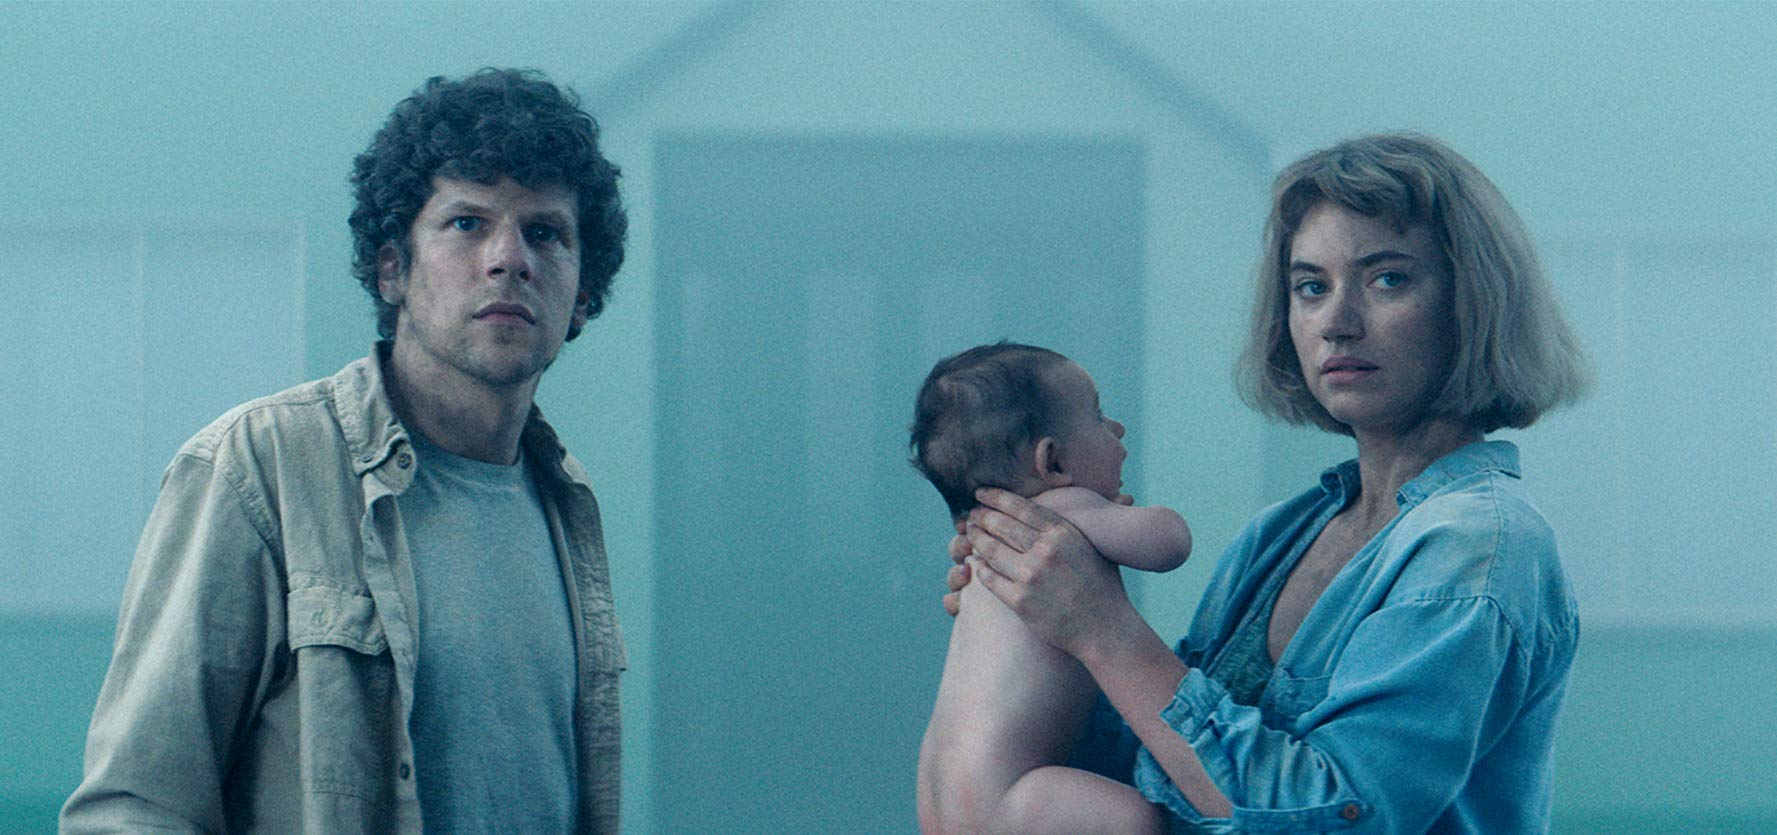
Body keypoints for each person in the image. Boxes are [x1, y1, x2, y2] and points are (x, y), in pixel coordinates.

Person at [932, 133, 1588, 833]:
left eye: (1387, 279)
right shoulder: (1277, 535)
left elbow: (1345, 818)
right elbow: (1159, 770)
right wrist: (1027, 617)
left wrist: (1102, 629)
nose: (1336, 323)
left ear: (1474, 304)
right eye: (1311, 287)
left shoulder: (1477, 549)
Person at [61, 68, 629, 833]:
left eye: (545, 232)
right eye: (467, 223)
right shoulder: (260, 467)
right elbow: (134, 807)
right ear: (392, 267)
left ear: (582, 291)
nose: (508, 258)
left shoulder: (565, 500)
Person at [910, 343, 1192, 835]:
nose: (1118, 429)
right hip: (1015, 796)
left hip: (941, 790)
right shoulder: (1061, 510)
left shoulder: (986, 542)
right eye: (1098, 417)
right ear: (1054, 463)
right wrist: (1119, 517)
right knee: (1138, 820)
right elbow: (1170, 544)